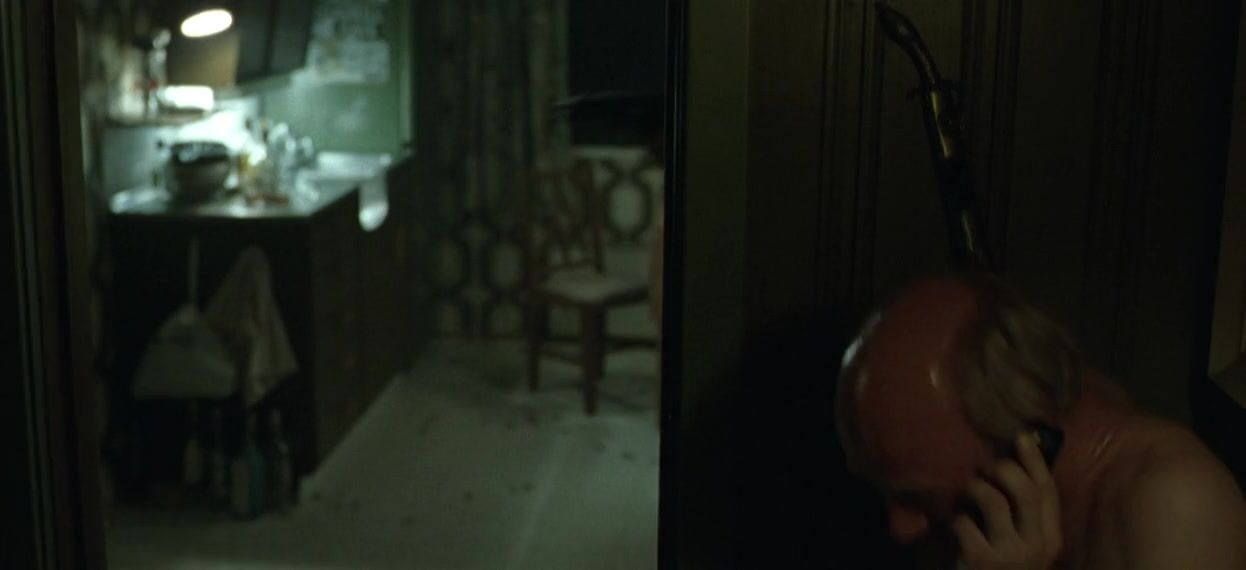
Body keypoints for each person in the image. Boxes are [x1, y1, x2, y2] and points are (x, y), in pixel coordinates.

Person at [835, 272, 1246, 569]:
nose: (901, 529)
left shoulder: (1177, 507)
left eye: (920, 499)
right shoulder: (961, 516)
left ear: (1029, 444)